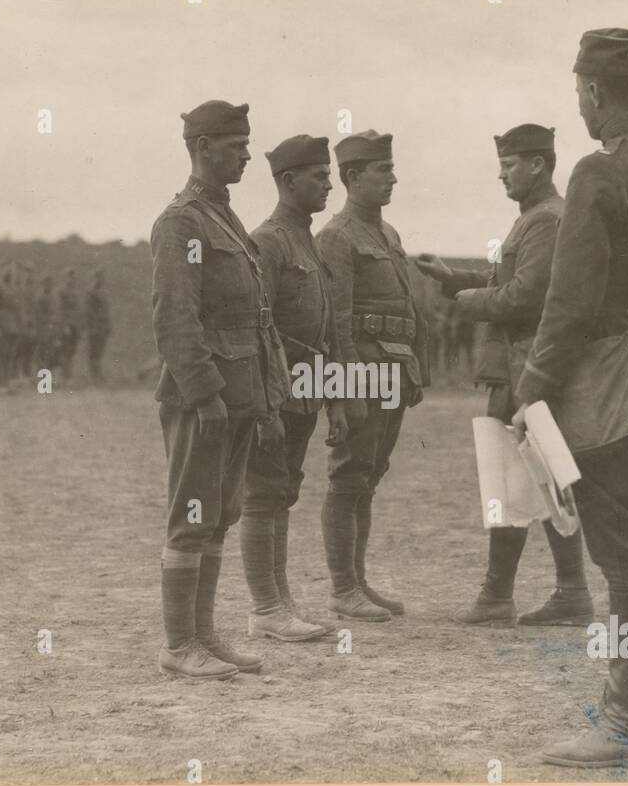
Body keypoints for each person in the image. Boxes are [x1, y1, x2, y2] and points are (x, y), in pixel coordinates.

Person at [514, 27, 628, 769]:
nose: (580, 105)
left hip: (610, 396)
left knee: (626, 563)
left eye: (580, 92)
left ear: (595, 92)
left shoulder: (598, 174)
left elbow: (568, 304)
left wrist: (533, 388)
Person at [414, 123, 593, 627]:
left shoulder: (546, 221)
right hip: (518, 365)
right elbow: (509, 283)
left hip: (526, 368)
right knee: (519, 477)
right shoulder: (537, 219)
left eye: (509, 164)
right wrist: (454, 280)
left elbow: (524, 297)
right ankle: (529, 593)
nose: (501, 175)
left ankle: (549, 593)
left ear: (538, 164)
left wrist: (467, 302)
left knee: (539, 475)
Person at [150, 99, 290, 680]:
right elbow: (175, 317)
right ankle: (179, 645)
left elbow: (256, 319)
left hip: (239, 395)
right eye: (237, 145)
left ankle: (204, 636)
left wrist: (264, 397)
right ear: (203, 147)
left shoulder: (223, 218)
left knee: (220, 515)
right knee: (193, 514)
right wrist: (205, 393)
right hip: (202, 400)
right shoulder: (183, 222)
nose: (248, 154)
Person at [317, 130, 429, 622]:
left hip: (393, 369)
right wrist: (340, 390)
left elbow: (406, 308)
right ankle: (343, 589)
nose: (393, 178)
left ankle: (357, 582)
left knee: (369, 477)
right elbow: (336, 319)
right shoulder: (337, 236)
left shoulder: (389, 234)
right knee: (348, 477)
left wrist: (416, 370)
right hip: (360, 370)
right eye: (382, 171)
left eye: (391, 169)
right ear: (351, 177)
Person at [242, 134, 350, 643]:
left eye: (328, 175)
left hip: (306, 389)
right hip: (277, 390)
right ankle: (266, 607)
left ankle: (279, 603)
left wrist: (335, 401)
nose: (329, 184)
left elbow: (323, 331)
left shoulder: (306, 239)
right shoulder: (268, 242)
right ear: (288, 182)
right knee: (263, 495)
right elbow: (255, 328)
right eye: (319, 177)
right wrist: (265, 404)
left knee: (282, 493)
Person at [85, 269, 112, 384]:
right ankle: (93, 375)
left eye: (102, 277)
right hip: (94, 326)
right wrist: (92, 326)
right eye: (98, 276)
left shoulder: (104, 292)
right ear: (94, 277)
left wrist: (108, 325)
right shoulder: (90, 292)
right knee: (94, 351)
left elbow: (107, 310)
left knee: (100, 350)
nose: (100, 279)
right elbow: (89, 311)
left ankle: (97, 374)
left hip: (103, 326)